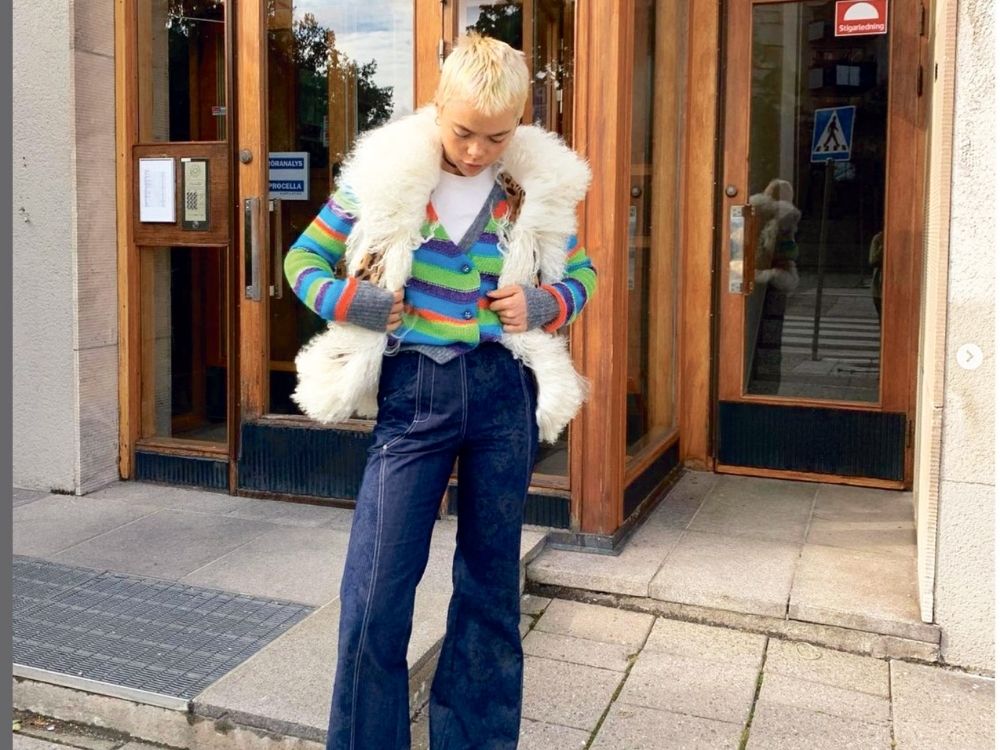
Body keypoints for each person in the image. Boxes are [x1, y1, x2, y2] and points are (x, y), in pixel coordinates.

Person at [283, 33, 596, 750]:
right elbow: (303, 258)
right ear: (437, 106)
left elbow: (583, 276)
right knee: (375, 594)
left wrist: (545, 306)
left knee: (490, 592)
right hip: (414, 392)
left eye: (498, 135)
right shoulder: (385, 178)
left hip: (500, 396)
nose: (479, 151)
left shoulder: (533, 193)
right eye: (463, 132)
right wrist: (356, 302)